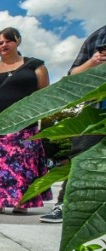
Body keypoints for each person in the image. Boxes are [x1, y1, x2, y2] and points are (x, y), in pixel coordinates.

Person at [0, 27, 52, 214]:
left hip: (23, 124)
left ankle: (21, 203)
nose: (4, 45)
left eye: (8, 40)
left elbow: (43, 92)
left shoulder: (34, 65)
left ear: (17, 40)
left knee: (22, 164)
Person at [40, 25, 106, 223]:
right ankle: (66, 205)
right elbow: (72, 76)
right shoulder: (98, 36)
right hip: (97, 108)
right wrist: (94, 62)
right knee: (81, 155)